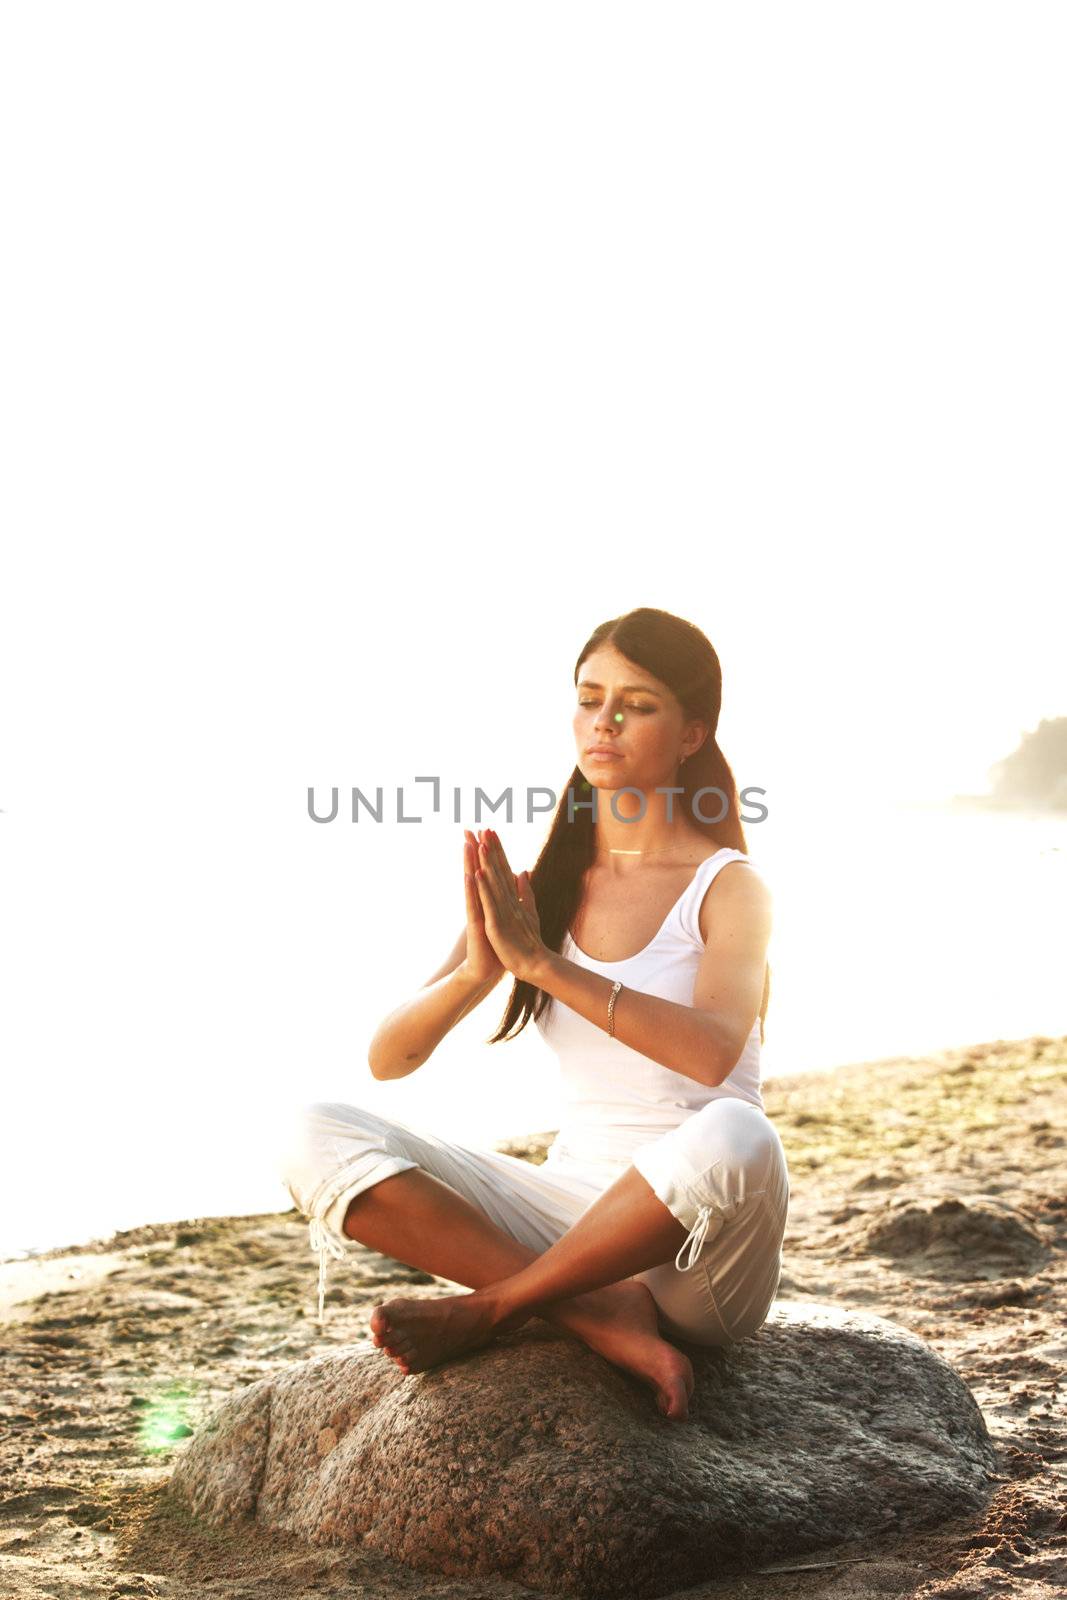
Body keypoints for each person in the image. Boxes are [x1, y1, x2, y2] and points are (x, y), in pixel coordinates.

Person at [279, 606, 789, 1423]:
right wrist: (482, 971)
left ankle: (495, 1307)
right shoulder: (545, 886)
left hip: (696, 1248)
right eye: (590, 699)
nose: (606, 721)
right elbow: (389, 1059)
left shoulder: (730, 885)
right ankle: (589, 1310)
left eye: (638, 704)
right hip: (575, 1217)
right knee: (312, 1128)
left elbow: (710, 1054)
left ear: (693, 732)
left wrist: (547, 968)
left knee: (739, 1133)